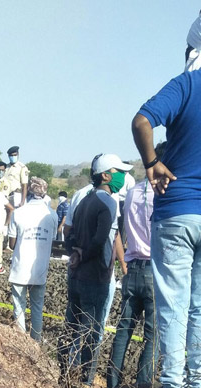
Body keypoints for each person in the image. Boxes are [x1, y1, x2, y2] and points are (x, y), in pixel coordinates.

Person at [131, 24, 201, 383]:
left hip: (177, 210)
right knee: (200, 308)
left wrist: (151, 162)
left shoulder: (186, 85)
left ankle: (173, 382)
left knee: (173, 305)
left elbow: (142, 121)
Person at [58, 154, 132, 387]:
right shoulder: (108, 202)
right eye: (118, 171)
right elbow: (101, 241)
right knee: (92, 333)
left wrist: (75, 253)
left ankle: (64, 375)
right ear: (106, 175)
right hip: (96, 276)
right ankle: (86, 381)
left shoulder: (83, 200)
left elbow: (68, 235)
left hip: (77, 274)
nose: (122, 176)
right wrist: (85, 254)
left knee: (72, 327)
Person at [107, 142, 165, 388]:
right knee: (152, 336)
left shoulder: (132, 192)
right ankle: (143, 384)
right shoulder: (164, 194)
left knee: (123, 331)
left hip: (132, 269)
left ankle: (112, 382)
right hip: (155, 270)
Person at [8, 177, 57, 341]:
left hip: (20, 268)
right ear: (45, 193)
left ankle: (21, 341)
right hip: (40, 269)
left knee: (19, 307)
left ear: (28, 191)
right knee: (37, 307)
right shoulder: (52, 215)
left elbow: (12, 243)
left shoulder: (18, 213)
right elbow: (52, 238)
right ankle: (36, 341)